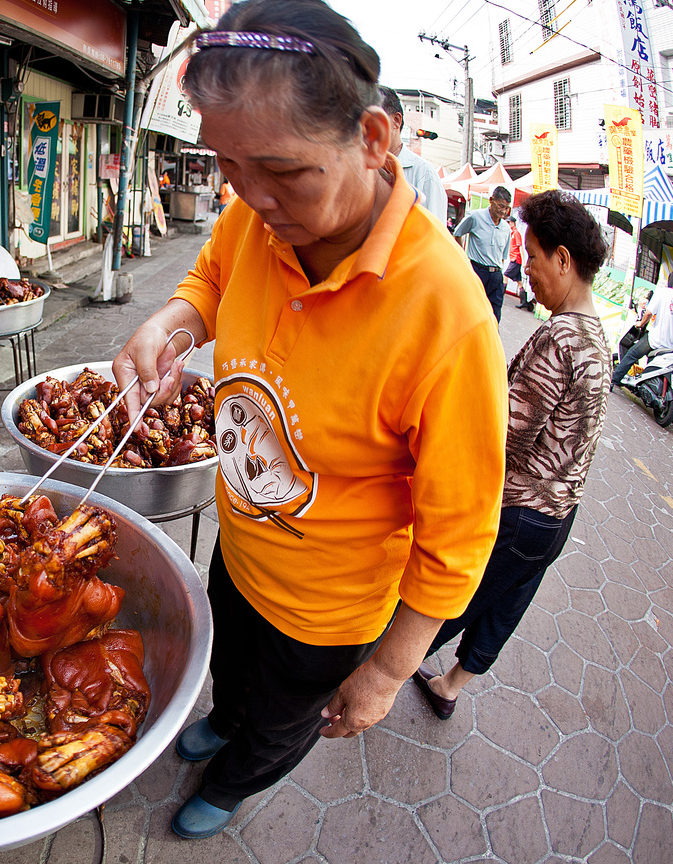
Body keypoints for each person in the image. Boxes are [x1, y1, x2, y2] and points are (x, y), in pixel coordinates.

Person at [111, 0, 507, 840]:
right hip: (242, 548)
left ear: (372, 138)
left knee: (286, 717)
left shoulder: (447, 315)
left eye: (283, 172)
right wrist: (166, 326)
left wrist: (390, 670)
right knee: (234, 669)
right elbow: (210, 282)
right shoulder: (251, 218)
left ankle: (235, 779)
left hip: (329, 613)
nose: (252, 197)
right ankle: (225, 721)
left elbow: (461, 533)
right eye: (228, 166)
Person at [410, 190, 610, 718]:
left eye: (536, 257)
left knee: (453, 603)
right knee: (506, 605)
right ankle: (449, 687)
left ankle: (375, 671)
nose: (530, 270)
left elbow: (507, 436)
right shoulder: (596, 336)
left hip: (521, 513)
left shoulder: (560, 337)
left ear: (564, 259)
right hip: (558, 518)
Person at [611, 271, 673, 391]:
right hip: (669, 348)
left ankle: (614, 380)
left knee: (632, 355)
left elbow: (649, 312)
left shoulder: (662, 293)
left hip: (654, 340)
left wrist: (641, 323)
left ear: (669, 283)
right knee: (651, 366)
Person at [378, 85, 448, 224]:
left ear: (396, 121)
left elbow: (432, 235)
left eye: (374, 119)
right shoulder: (361, 170)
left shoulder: (424, 173)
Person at [454, 185, 513, 322]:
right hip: (477, 271)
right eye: (501, 206)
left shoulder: (506, 228)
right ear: (491, 200)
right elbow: (458, 233)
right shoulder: (476, 217)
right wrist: (463, 258)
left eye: (506, 208)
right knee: (471, 310)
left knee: (494, 314)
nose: (504, 211)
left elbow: (503, 257)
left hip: (496, 275)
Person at [506, 215, 533, 312]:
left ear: (512, 223)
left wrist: (524, 261)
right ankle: (524, 301)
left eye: (509, 223)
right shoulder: (512, 233)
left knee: (505, 275)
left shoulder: (516, 234)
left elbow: (520, 247)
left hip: (516, 259)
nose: (508, 224)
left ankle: (500, 293)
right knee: (519, 281)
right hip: (514, 259)